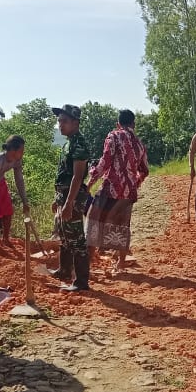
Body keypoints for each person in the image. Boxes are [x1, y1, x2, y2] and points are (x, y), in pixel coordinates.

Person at [86, 109, 149, 273]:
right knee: (122, 225)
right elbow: (145, 170)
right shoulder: (139, 144)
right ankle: (120, 263)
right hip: (128, 192)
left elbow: (104, 163)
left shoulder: (113, 136)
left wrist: (89, 183)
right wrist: (134, 183)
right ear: (133, 124)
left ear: (118, 124)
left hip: (111, 188)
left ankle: (89, 260)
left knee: (95, 221)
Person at [48, 104, 92, 292]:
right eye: (59, 121)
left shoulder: (79, 143)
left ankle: (81, 282)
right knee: (65, 235)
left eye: (64, 121)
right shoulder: (68, 142)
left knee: (76, 239)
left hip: (72, 197)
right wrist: (58, 200)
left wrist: (69, 203)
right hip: (64, 195)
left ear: (75, 122)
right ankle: (64, 271)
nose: (60, 125)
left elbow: (77, 176)